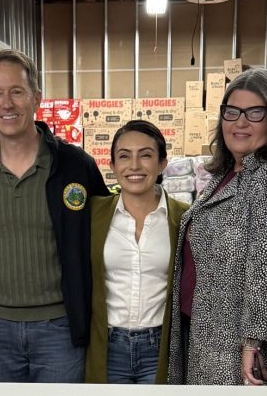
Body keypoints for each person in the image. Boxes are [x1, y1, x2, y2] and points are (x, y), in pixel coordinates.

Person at [0, 49, 109, 382]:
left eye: (16, 91)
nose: (6, 103)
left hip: (60, 331)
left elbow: (105, 236)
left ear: (36, 97)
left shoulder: (74, 166)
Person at [167, 68, 267, 385]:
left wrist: (253, 341)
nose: (240, 122)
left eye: (254, 112)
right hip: (202, 335)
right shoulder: (227, 175)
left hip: (234, 348)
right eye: (231, 112)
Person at [85, 120, 190, 384]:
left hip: (159, 347)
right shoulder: (94, 214)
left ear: (162, 164)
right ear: (112, 166)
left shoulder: (183, 218)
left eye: (145, 155)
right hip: (108, 346)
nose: (134, 166)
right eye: (124, 156)